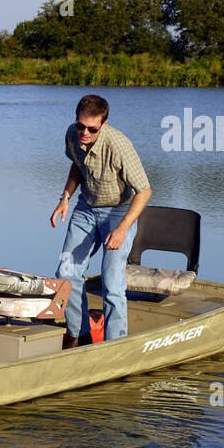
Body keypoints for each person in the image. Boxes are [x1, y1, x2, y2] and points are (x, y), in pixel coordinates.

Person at [50, 94, 151, 348]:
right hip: (86, 208)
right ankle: (79, 335)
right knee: (66, 272)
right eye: (81, 125)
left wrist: (122, 229)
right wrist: (65, 197)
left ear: (103, 124)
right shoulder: (73, 134)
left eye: (91, 129)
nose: (84, 132)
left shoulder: (119, 146)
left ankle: (114, 346)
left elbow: (144, 191)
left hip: (118, 212)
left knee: (111, 283)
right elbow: (77, 165)